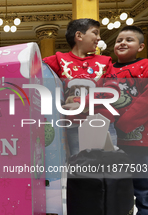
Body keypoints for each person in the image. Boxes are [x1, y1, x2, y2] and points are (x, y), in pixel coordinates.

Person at [43, 18, 120, 155]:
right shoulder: (58, 59)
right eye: (95, 33)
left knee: (109, 167)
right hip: (74, 126)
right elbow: (34, 67)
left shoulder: (105, 61)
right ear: (79, 36)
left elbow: (112, 92)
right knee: (82, 169)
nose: (99, 38)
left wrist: (80, 102)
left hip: (103, 123)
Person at [111, 25, 148, 215]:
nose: (122, 43)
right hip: (112, 142)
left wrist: (124, 122)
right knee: (119, 187)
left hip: (140, 140)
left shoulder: (145, 66)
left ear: (141, 46)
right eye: (119, 39)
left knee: (143, 186)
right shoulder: (108, 70)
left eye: (129, 40)